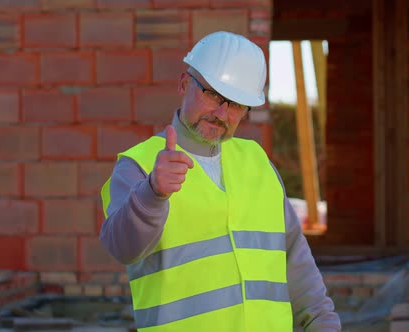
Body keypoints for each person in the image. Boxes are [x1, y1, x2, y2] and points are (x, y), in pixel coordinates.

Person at [99, 31, 341, 332]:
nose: (222, 113)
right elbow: (121, 247)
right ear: (184, 84)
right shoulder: (139, 164)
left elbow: (295, 260)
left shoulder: (257, 161)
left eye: (236, 103)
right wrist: (152, 193)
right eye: (212, 94)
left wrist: (322, 323)